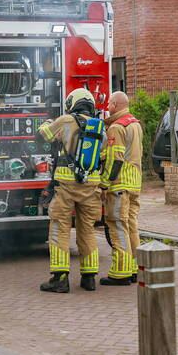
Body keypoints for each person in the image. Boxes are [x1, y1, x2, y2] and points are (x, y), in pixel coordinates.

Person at [35, 88, 103, 293]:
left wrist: (47, 122)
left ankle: (60, 278)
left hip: (66, 185)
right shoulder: (100, 127)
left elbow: (43, 136)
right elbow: (103, 156)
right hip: (91, 185)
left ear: (72, 103)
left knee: (59, 228)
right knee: (87, 229)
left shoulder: (65, 121)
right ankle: (89, 278)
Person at [99, 91, 143, 286]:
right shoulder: (135, 124)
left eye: (109, 103)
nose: (107, 106)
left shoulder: (116, 128)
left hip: (119, 184)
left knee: (117, 225)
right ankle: (135, 269)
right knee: (131, 226)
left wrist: (104, 184)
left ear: (116, 105)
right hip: (134, 183)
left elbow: (115, 160)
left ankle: (121, 272)